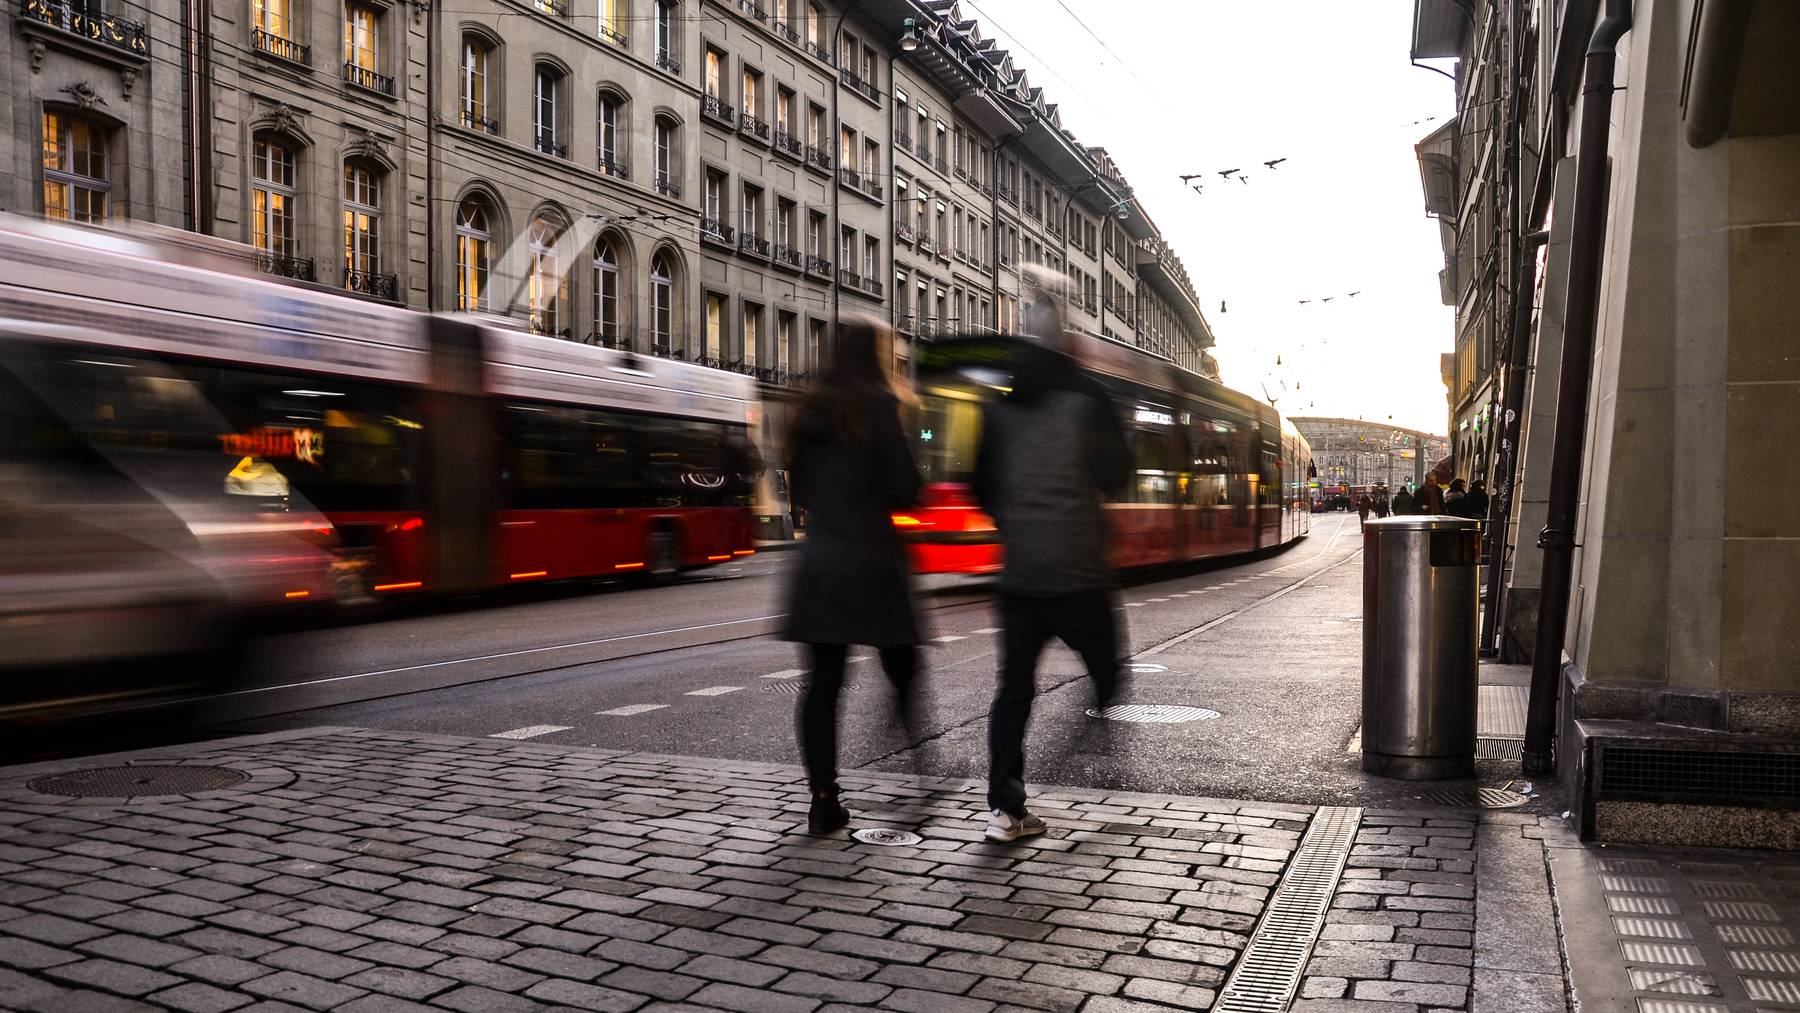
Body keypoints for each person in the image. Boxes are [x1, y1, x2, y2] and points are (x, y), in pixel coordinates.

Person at [974, 267, 1132, 844]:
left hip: (1020, 574)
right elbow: (1119, 473)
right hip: (1080, 570)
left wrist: (1015, 521)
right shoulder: (1088, 397)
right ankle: (1100, 707)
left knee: (1013, 687)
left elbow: (978, 486)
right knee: (1109, 667)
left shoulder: (997, 407)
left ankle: (1005, 810)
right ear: (1065, 339)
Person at [781, 316, 924, 835]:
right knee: (903, 662)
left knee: (822, 685)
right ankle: (919, 756)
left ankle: (823, 799)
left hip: (820, 562)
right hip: (872, 558)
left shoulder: (808, 411)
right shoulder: (880, 406)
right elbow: (905, 485)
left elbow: (798, 490)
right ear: (877, 356)